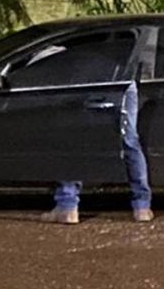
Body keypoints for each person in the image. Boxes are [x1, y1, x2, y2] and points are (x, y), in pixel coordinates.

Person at [41, 79, 154, 224]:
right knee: (128, 140)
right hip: (122, 78)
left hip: (85, 78)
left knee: (72, 139)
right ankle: (142, 208)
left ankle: (67, 206)